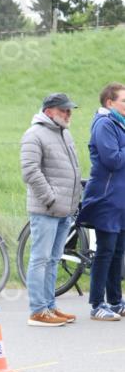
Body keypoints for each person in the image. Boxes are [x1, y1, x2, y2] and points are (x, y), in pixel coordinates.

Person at [20, 92, 82, 326]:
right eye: (63, 110)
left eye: (69, 110)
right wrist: (50, 198)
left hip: (64, 210)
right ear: (49, 111)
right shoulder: (34, 134)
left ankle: (50, 306)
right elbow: (30, 171)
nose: (68, 114)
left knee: (54, 259)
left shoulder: (64, 133)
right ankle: (37, 311)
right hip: (46, 209)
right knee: (41, 259)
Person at [75, 82, 125, 321]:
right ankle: (97, 304)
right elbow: (112, 159)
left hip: (120, 199)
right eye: (124, 101)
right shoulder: (104, 124)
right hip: (106, 197)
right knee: (105, 251)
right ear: (109, 102)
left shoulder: (119, 124)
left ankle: (115, 301)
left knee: (118, 252)